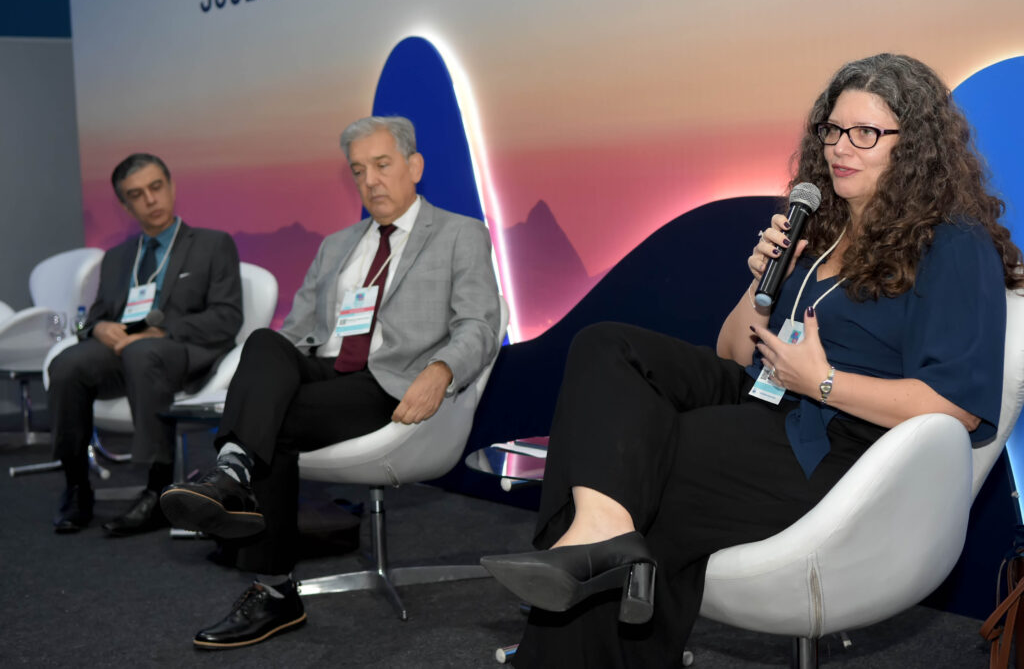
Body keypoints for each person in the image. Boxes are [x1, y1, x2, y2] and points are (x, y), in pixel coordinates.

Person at [480, 53, 1023, 667]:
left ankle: (581, 597)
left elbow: (955, 407)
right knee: (607, 348)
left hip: (844, 446)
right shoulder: (821, 230)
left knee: (659, 453)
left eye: (866, 133)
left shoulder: (952, 243)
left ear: (916, 146)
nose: (841, 148)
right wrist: (766, 282)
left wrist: (822, 382)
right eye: (833, 129)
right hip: (767, 395)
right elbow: (734, 351)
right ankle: (598, 536)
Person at [158, 116, 502, 649]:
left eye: (382, 165)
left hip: (390, 380)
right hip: (326, 367)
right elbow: (296, 332)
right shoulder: (337, 244)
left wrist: (442, 370)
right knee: (264, 343)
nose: (370, 180)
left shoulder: (460, 233)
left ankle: (271, 584)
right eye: (359, 170)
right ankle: (234, 470)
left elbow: (479, 323)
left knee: (275, 424)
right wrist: (257, 383)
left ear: (414, 166)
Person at [49, 153, 243, 536]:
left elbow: (227, 317)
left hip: (183, 353)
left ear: (171, 187)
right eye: (137, 194)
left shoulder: (213, 244)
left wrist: (162, 330)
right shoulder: (117, 258)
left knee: (142, 351)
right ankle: (76, 486)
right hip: (126, 356)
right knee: (67, 364)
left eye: (156, 187)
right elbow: (94, 318)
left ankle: (157, 490)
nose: (151, 200)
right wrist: (99, 329)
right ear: (125, 205)